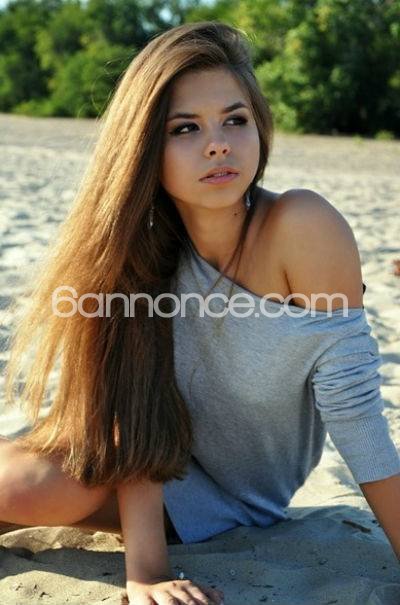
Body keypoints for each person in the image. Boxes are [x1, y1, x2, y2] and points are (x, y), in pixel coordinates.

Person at [1, 20, 399, 605]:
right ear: (144, 147)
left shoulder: (303, 228)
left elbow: (357, 410)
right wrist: (147, 573)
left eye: (235, 120)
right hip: (137, 457)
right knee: (36, 490)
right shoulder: (136, 254)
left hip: (241, 500)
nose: (218, 144)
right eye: (185, 128)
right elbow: (133, 414)